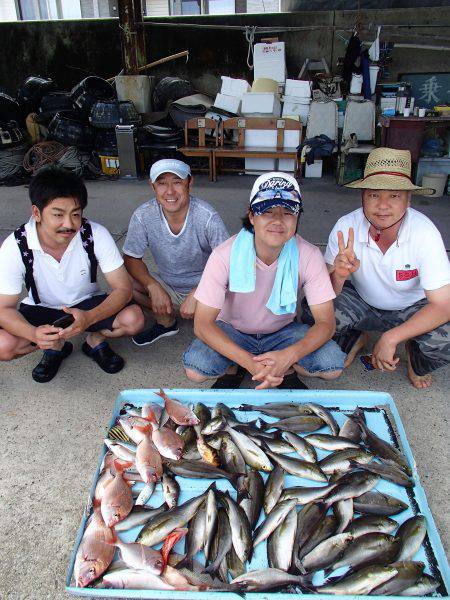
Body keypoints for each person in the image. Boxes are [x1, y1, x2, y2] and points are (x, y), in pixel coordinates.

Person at [182, 172, 345, 389]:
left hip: (283, 332)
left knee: (332, 365)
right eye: (267, 211)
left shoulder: (309, 254)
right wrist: (250, 363)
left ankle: (283, 366)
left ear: (297, 218)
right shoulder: (224, 254)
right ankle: (240, 365)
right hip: (233, 330)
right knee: (196, 368)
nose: (278, 220)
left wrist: (289, 355)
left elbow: (326, 323)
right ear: (252, 216)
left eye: (288, 212)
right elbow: (202, 325)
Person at [316, 147, 450, 389]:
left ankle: (415, 355)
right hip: (363, 302)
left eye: (395, 196)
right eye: (374, 195)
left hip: (412, 308)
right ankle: (357, 338)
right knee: (311, 312)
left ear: (408, 200)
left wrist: (392, 337)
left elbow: (443, 304)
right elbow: (321, 295)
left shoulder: (424, 233)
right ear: (362, 197)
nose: (383, 206)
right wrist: (338, 276)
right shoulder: (345, 226)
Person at [0, 167, 145, 382]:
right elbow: (4, 308)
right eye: (58, 214)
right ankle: (54, 346)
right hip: (40, 309)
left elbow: (123, 289)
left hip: (87, 304)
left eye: (75, 214)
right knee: (4, 346)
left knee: (134, 320)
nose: (69, 224)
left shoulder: (95, 234)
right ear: (37, 213)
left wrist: (88, 319)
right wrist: (33, 334)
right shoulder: (16, 245)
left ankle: (94, 340)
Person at [123, 158, 229, 346]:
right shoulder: (143, 215)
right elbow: (131, 257)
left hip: (207, 288)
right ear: (152, 186)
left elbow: (230, 263)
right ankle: (165, 322)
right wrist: (152, 286)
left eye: (177, 182)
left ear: (190, 182)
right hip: (168, 286)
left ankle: (210, 322)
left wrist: (200, 291)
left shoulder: (207, 216)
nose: (170, 191)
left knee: (240, 295)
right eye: (162, 183)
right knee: (122, 280)